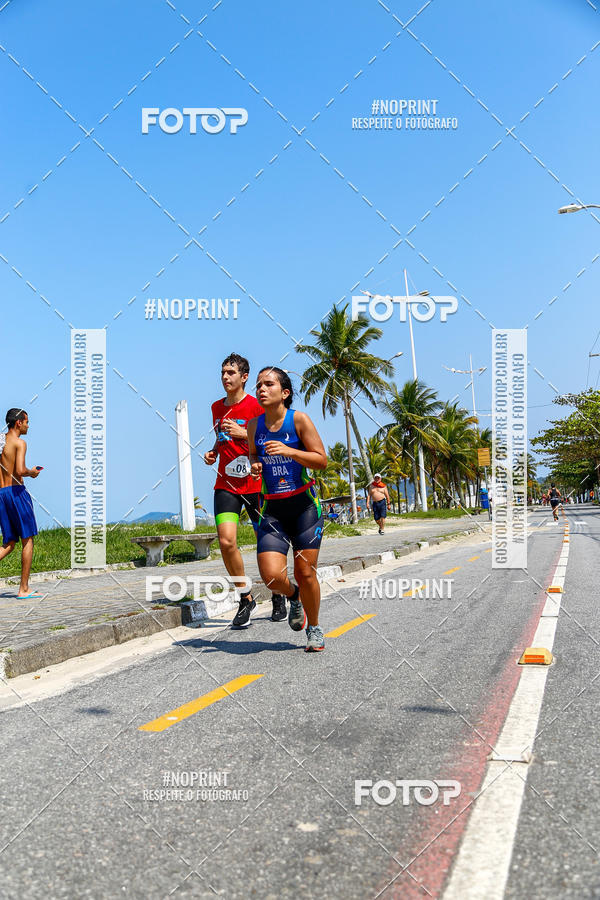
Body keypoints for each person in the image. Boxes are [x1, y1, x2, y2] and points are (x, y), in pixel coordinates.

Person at [247, 367, 327, 652]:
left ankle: (314, 629)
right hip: (272, 510)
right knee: (271, 578)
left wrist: (290, 451)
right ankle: (294, 598)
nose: (261, 389)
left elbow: (321, 460)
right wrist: (255, 465)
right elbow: (254, 454)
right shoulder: (254, 426)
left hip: (304, 506)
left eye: (269, 384)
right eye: (258, 385)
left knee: (306, 573)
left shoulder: (299, 420)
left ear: (285, 392)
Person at [204, 353, 286, 627]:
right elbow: (221, 437)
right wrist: (214, 452)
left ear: (244, 377)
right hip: (226, 483)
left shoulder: (256, 406)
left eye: (231, 373)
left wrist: (243, 434)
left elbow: (269, 440)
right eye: (223, 372)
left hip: (256, 483)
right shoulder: (216, 407)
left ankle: (277, 593)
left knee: (266, 543)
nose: (225, 377)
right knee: (227, 543)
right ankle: (245, 597)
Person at [0, 409, 42, 599]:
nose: (28, 425)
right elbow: (19, 470)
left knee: (9, 543)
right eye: (26, 421)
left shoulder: (1, 442)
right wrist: (32, 472)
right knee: (28, 539)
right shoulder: (20, 443)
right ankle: (23, 589)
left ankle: (24, 588)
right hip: (17, 493)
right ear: (18, 423)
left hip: (1, 493)